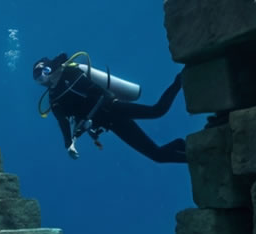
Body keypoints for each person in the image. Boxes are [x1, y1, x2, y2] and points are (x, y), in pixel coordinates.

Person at [33, 52, 187, 163]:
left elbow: (95, 89)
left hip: (113, 108)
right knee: (157, 155)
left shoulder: (70, 73)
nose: (45, 79)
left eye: (45, 73)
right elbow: (63, 124)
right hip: (110, 123)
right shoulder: (55, 100)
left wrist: (55, 66)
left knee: (158, 110)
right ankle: (182, 146)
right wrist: (69, 144)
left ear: (51, 68)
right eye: (40, 79)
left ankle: (180, 79)